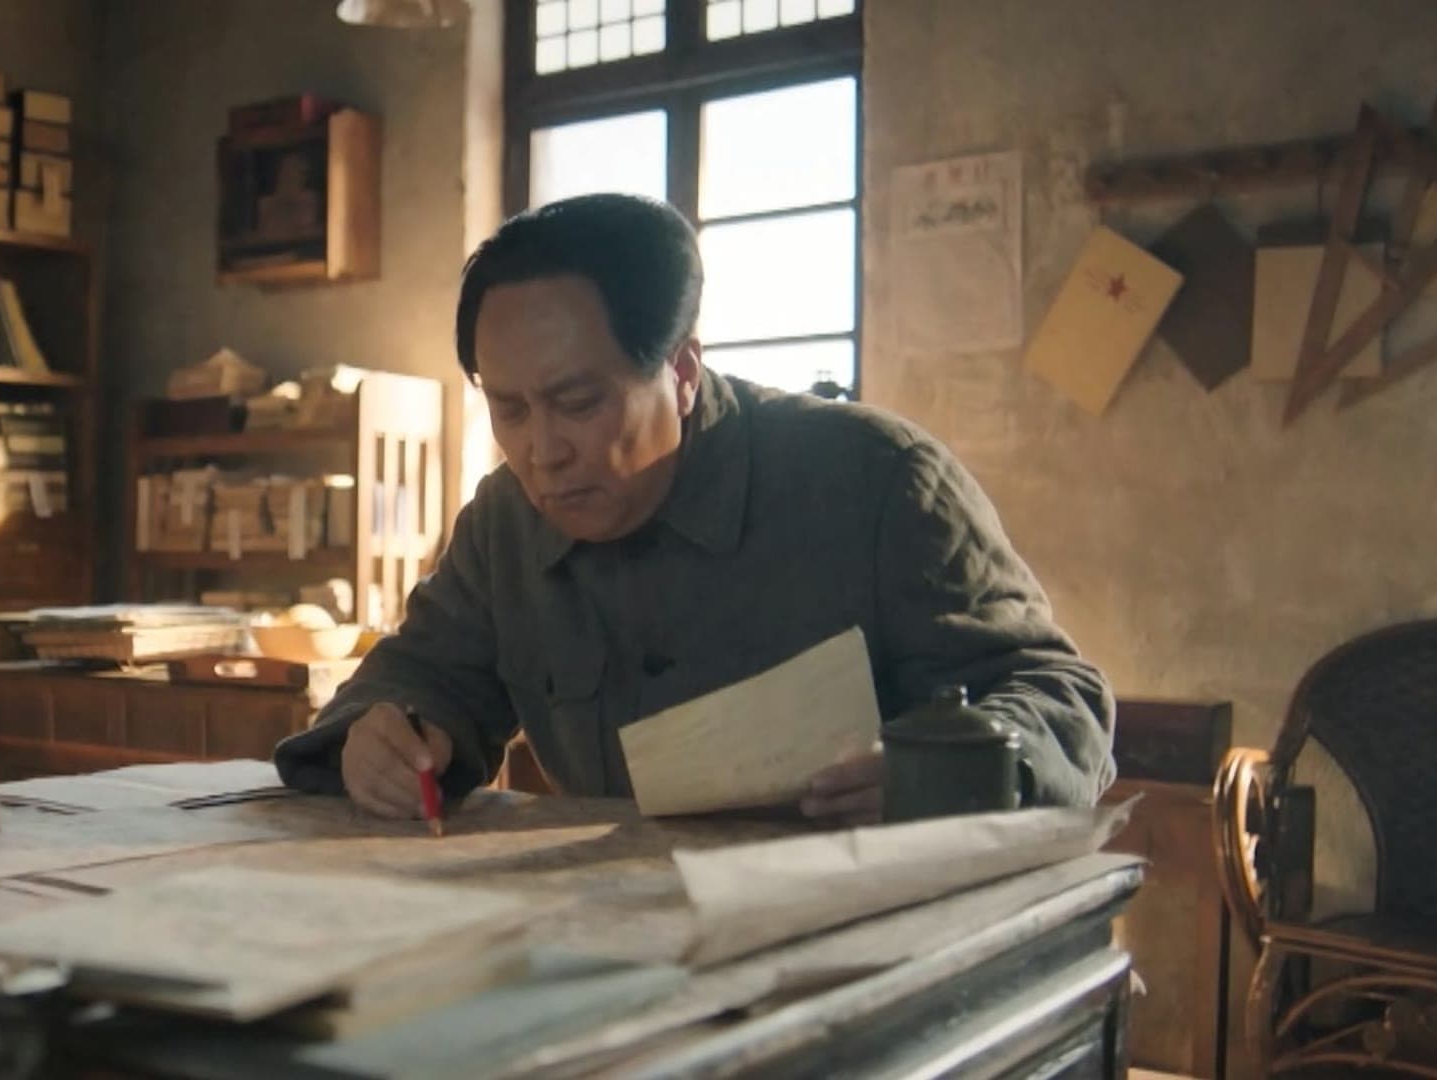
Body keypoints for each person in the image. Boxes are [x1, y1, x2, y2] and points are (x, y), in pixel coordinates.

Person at [272, 193, 1113, 825]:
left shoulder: (877, 482)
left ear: (681, 372)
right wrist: (382, 736)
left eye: (577, 402)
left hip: (868, 934)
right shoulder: (506, 522)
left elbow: (1059, 693)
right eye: (509, 409)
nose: (542, 450)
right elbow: (422, 677)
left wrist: (940, 775)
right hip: (627, 937)